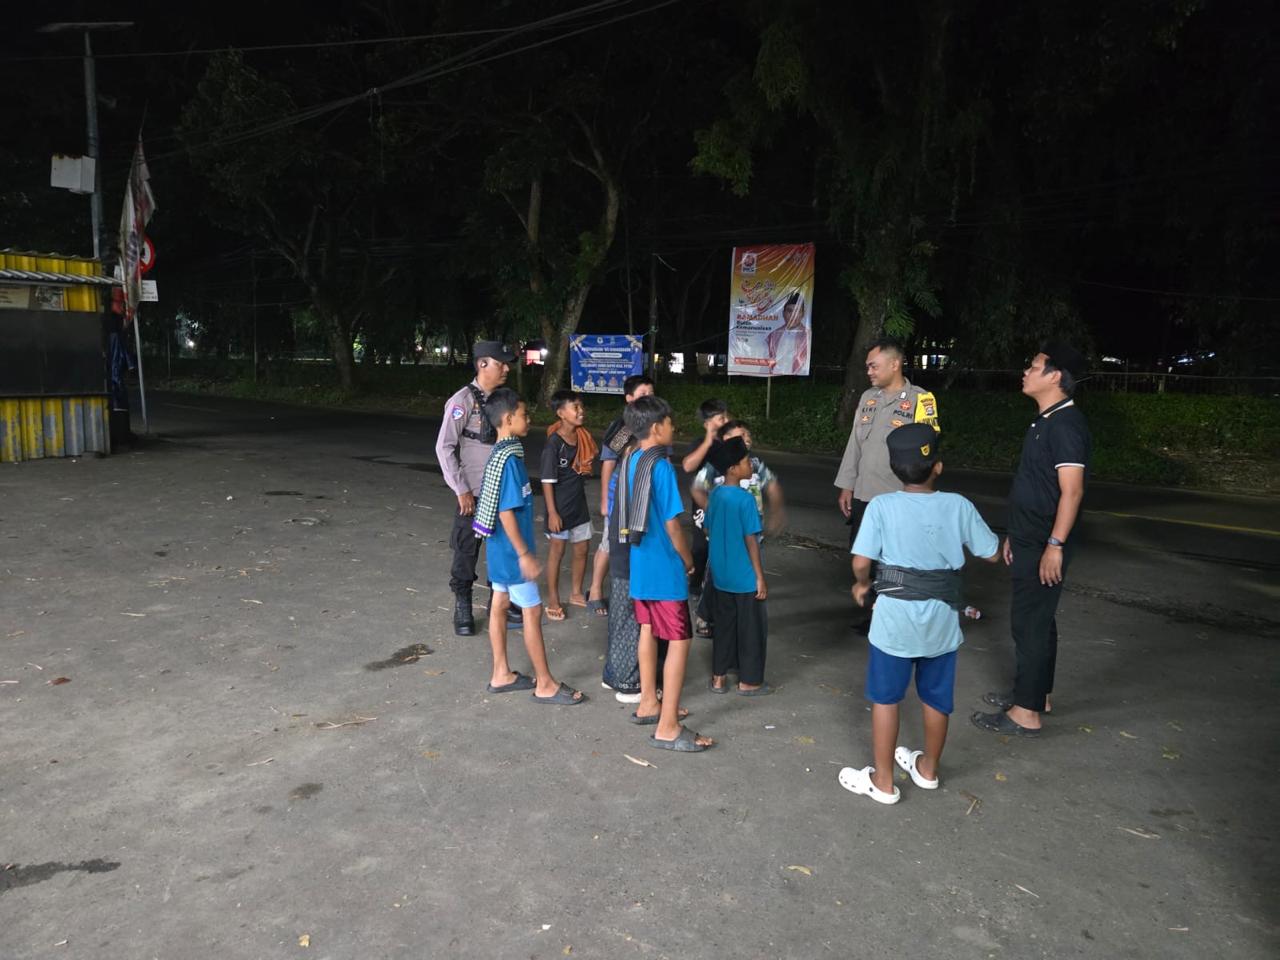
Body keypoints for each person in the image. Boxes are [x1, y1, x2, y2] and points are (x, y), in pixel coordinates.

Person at [838, 424, 1000, 804]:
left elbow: (861, 561)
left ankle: (882, 781)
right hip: (941, 623)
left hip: (894, 623)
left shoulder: (881, 506)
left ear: (894, 469)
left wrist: (861, 584)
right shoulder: (959, 505)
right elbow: (992, 552)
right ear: (937, 467)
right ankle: (928, 769)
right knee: (936, 698)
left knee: (886, 699)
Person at [971, 342, 1090, 738]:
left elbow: (1072, 491)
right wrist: (1014, 534)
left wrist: (1054, 546)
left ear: (1055, 376)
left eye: (1034, 366)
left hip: (1044, 542)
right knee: (1038, 620)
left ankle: (1026, 713)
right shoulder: (1045, 421)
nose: (1026, 372)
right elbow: (1035, 486)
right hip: (1029, 537)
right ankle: (1038, 695)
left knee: (1029, 623)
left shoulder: (1066, 425)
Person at [471, 388, 585, 706]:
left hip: (499, 550)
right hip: (512, 553)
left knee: (499, 604)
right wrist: (523, 554)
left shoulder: (502, 453)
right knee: (532, 612)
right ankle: (545, 684)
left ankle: (501, 673)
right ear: (509, 419)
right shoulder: (509, 460)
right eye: (524, 414)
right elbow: (505, 512)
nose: (529, 419)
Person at [616, 396, 712, 752]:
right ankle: (668, 726)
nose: (674, 428)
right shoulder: (661, 467)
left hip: (640, 562)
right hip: (664, 567)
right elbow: (673, 525)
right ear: (657, 428)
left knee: (648, 630)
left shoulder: (632, 458)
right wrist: (687, 559)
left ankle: (648, 703)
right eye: (670, 423)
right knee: (679, 640)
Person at [834, 339, 939, 628]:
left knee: (895, 560)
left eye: (873, 366)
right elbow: (854, 444)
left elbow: (928, 452)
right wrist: (847, 485)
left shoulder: (921, 400)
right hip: (864, 493)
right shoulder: (868, 398)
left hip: (899, 497)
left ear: (895, 364)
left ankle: (894, 617)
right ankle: (873, 614)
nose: (868, 371)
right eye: (867, 366)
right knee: (863, 554)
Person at [434, 341, 523, 637]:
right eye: (501, 363)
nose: (506, 368)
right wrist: (460, 489)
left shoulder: (504, 399)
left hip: (503, 492)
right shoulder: (462, 401)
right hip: (474, 493)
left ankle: (500, 602)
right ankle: (463, 605)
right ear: (483, 364)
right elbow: (444, 447)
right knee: (466, 550)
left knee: (504, 547)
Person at [691, 420, 784, 637]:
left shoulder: (755, 464)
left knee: (749, 574)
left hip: (751, 531)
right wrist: (715, 513)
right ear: (726, 441)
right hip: (727, 535)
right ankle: (705, 614)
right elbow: (697, 488)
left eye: (748, 434)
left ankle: (741, 618)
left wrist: (777, 512)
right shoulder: (716, 465)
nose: (746, 438)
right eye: (740, 436)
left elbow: (772, 485)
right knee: (715, 576)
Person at [703, 437, 771, 696]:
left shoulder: (716, 495)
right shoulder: (745, 500)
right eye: (745, 461)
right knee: (751, 629)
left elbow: (708, 527)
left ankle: (718, 678)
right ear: (732, 469)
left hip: (721, 575)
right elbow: (751, 540)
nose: (750, 464)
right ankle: (749, 682)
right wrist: (759, 577)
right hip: (744, 577)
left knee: (724, 626)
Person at [586, 374, 656, 619]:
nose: (648, 398)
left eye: (651, 394)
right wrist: (605, 500)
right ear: (629, 398)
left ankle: (635, 593)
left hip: (645, 496)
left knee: (640, 543)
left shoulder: (657, 424)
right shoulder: (622, 427)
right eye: (643, 394)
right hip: (620, 497)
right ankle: (595, 590)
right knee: (610, 542)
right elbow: (607, 463)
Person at [540, 389, 597, 621]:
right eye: (575, 407)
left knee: (582, 549)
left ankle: (575, 593)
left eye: (581, 406)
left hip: (578, 506)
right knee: (557, 552)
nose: (581, 411)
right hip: (559, 508)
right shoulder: (554, 444)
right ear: (561, 413)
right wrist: (552, 513)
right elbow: (546, 482)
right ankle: (553, 599)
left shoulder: (583, 437)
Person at [602, 430, 643, 703]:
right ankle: (628, 683)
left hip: (619, 551)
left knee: (620, 616)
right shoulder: (632, 475)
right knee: (630, 619)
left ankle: (612, 673)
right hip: (628, 552)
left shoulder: (621, 472)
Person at [683, 398, 731, 599]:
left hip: (727, 503)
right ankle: (695, 585)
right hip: (704, 505)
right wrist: (708, 441)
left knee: (725, 546)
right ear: (707, 423)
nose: (726, 421)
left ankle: (721, 586)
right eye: (721, 418)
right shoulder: (699, 444)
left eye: (727, 417)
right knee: (701, 546)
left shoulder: (732, 443)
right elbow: (688, 466)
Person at [765, 290, 809, 376]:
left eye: (797, 311)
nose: (793, 315)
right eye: (789, 311)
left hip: (797, 376)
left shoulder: (807, 335)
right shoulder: (773, 335)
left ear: (802, 314)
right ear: (783, 313)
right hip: (775, 375)